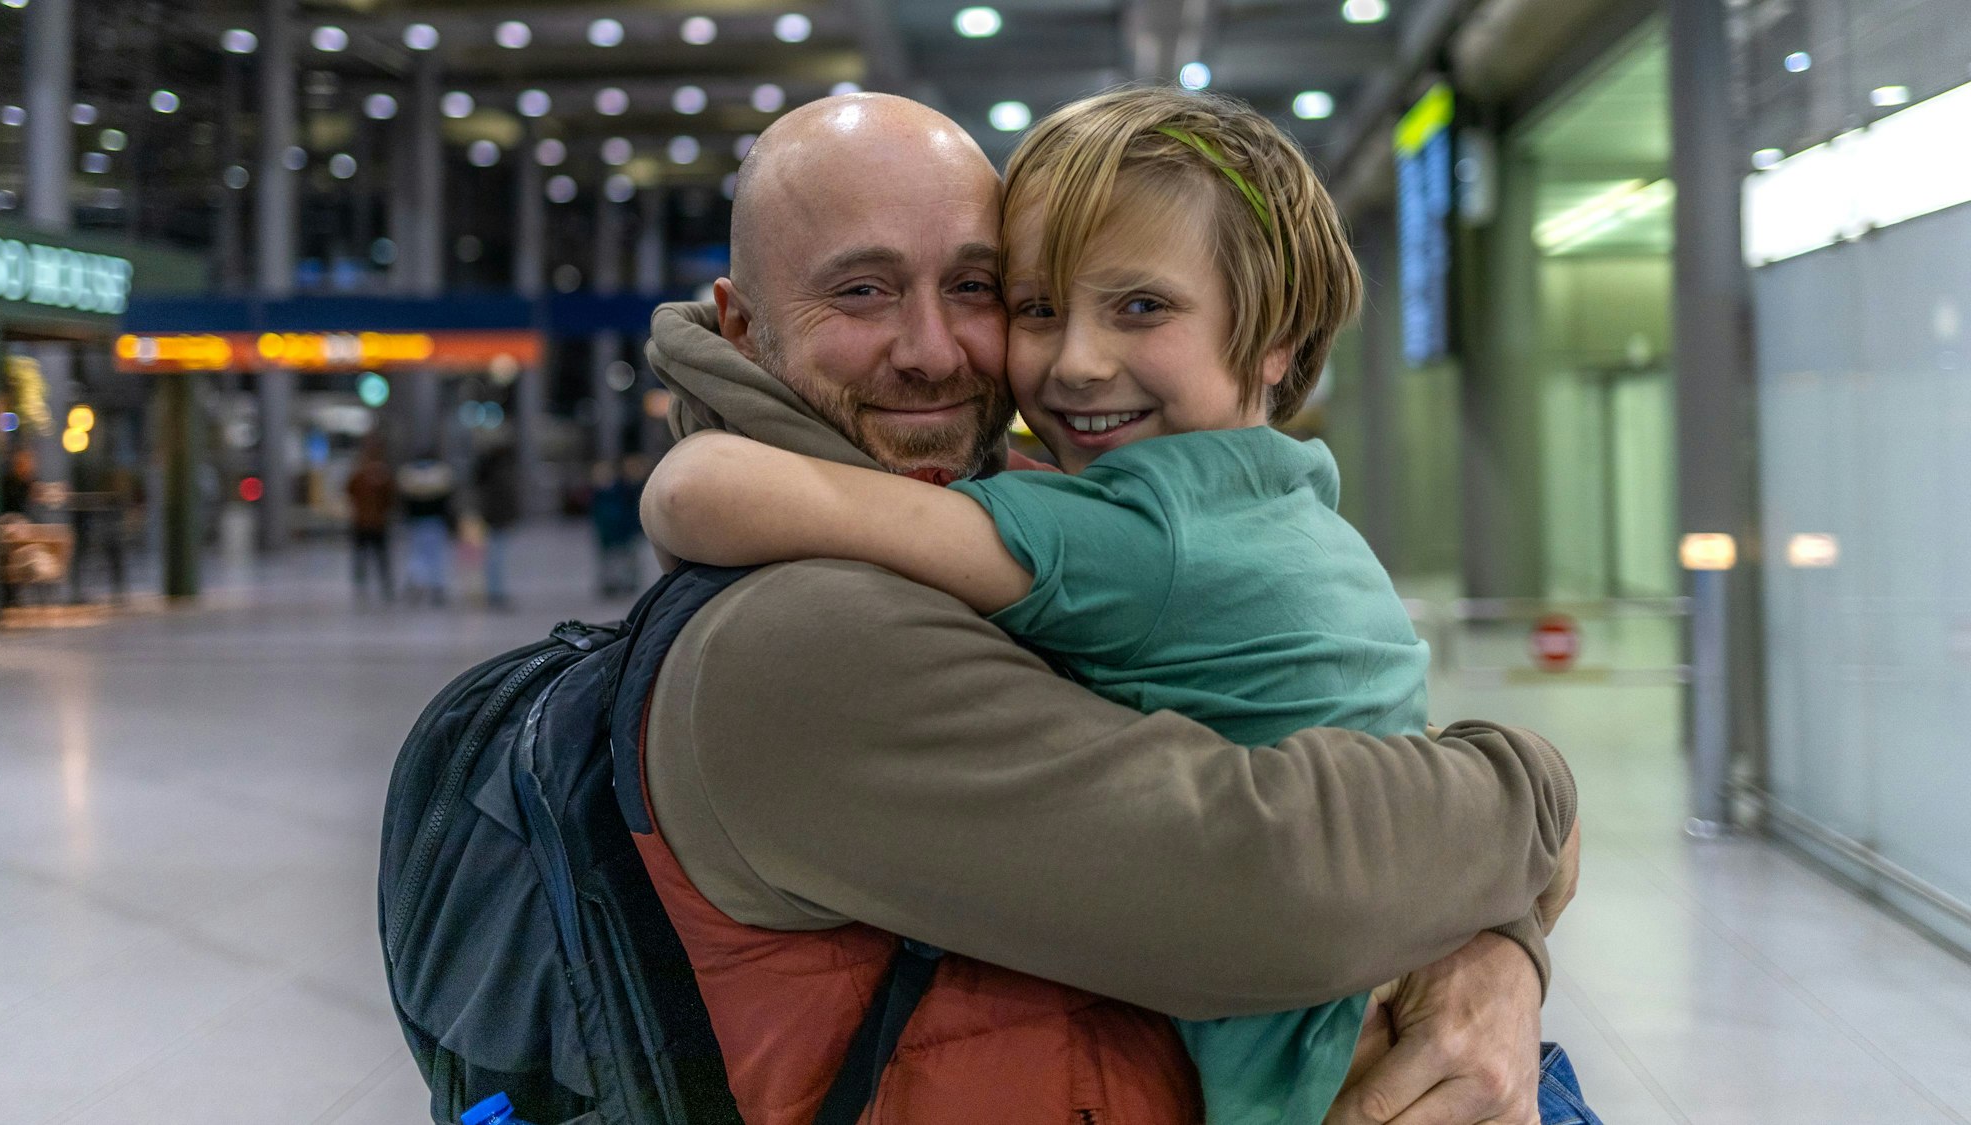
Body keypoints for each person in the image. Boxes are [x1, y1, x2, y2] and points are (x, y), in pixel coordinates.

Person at [634, 92, 1582, 1125]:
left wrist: (1487, 950)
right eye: (862, 291)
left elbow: (1329, 760)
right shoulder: (799, 635)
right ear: (741, 326)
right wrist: (1530, 797)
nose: (934, 351)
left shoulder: (1075, 513)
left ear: (1271, 339)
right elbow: (1287, 891)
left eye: (975, 287)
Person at [397, 450, 455, 605]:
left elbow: (404, 500)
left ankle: (418, 582)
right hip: (435, 520)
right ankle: (436, 586)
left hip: (417, 520)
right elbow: (447, 498)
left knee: (418, 554)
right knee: (436, 556)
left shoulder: (410, 475)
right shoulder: (440, 474)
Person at [346, 439, 396, 602]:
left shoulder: (379, 477)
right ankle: (363, 583)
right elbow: (350, 490)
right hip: (366, 522)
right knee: (366, 555)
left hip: (373, 522)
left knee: (377, 555)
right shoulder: (361, 476)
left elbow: (389, 497)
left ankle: (377, 583)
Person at [473, 443, 521, 610]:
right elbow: (502, 501)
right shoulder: (498, 475)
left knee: (494, 557)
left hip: (493, 521)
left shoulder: (490, 476)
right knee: (495, 558)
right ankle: (495, 592)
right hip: (496, 521)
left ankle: (495, 591)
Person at [588, 459, 641, 597]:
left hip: (623, 530)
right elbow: (596, 515)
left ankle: (628, 581)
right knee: (609, 559)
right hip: (607, 532)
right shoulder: (598, 494)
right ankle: (610, 583)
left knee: (627, 557)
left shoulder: (623, 489)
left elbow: (631, 509)